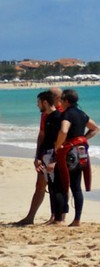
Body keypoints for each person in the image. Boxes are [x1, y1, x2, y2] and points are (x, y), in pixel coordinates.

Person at [48, 88, 99, 227]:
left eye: (61, 100)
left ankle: (59, 218)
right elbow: (95, 128)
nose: (60, 103)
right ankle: (77, 219)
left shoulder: (67, 115)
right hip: (82, 153)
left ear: (66, 101)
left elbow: (64, 130)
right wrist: (83, 139)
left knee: (60, 184)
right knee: (76, 187)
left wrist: (58, 145)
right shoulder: (82, 114)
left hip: (69, 154)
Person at [12, 88, 60, 226]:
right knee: (40, 185)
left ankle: (56, 217)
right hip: (45, 155)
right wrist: (38, 155)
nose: (36, 105)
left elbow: (62, 139)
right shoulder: (46, 115)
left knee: (57, 187)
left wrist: (56, 158)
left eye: (38, 102)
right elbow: (42, 136)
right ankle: (30, 217)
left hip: (54, 156)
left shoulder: (62, 115)